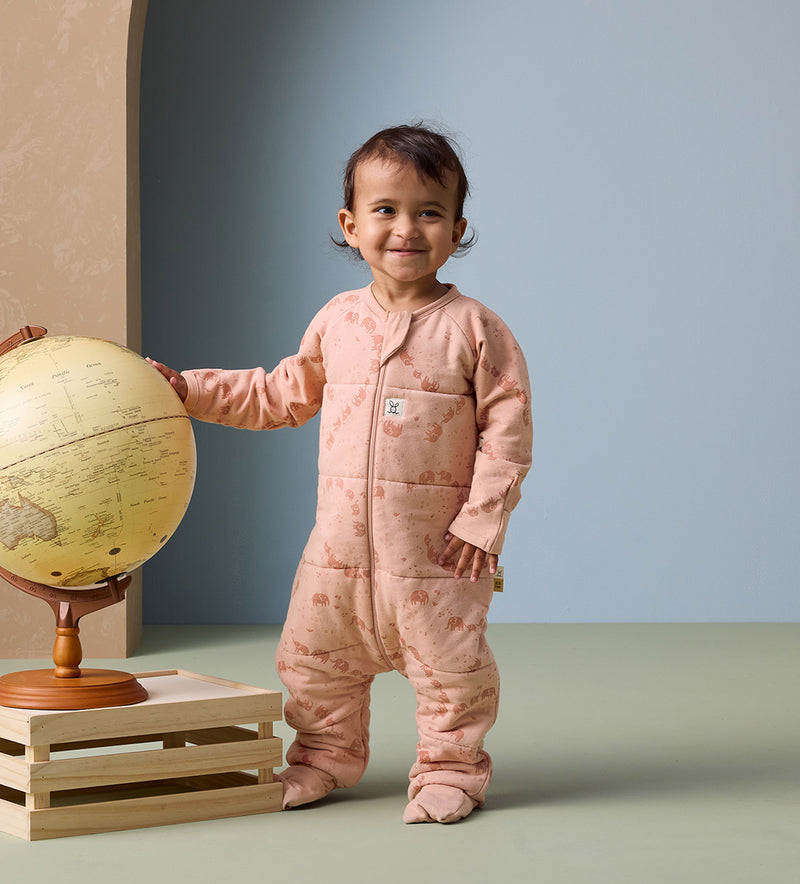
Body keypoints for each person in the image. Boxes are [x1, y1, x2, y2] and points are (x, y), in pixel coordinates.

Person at [148, 124, 532, 824]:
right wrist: (190, 391)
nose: (406, 228)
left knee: (454, 674)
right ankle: (322, 758)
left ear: (458, 228)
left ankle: (450, 770)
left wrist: (482, 521)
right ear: (350, 225)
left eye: (429, 212)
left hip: (437, 555)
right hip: (339, 554)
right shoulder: (338, 321)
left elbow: (507, 435)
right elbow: (278, 394)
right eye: (385, 210)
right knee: (311, 663)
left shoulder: (477, 330)